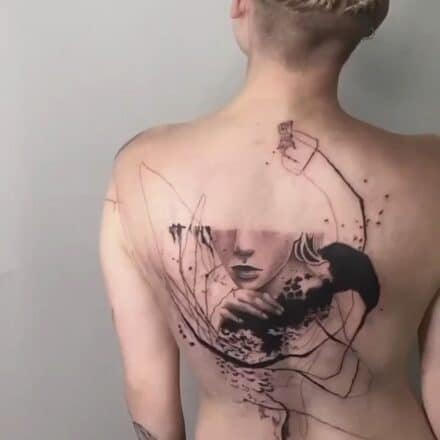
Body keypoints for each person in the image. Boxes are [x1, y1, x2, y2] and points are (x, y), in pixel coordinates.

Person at [99, 1, 440, 439]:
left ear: (242, 5)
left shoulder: (140, 170)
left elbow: (151, 397)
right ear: (367, 20)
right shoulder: (431, 172)